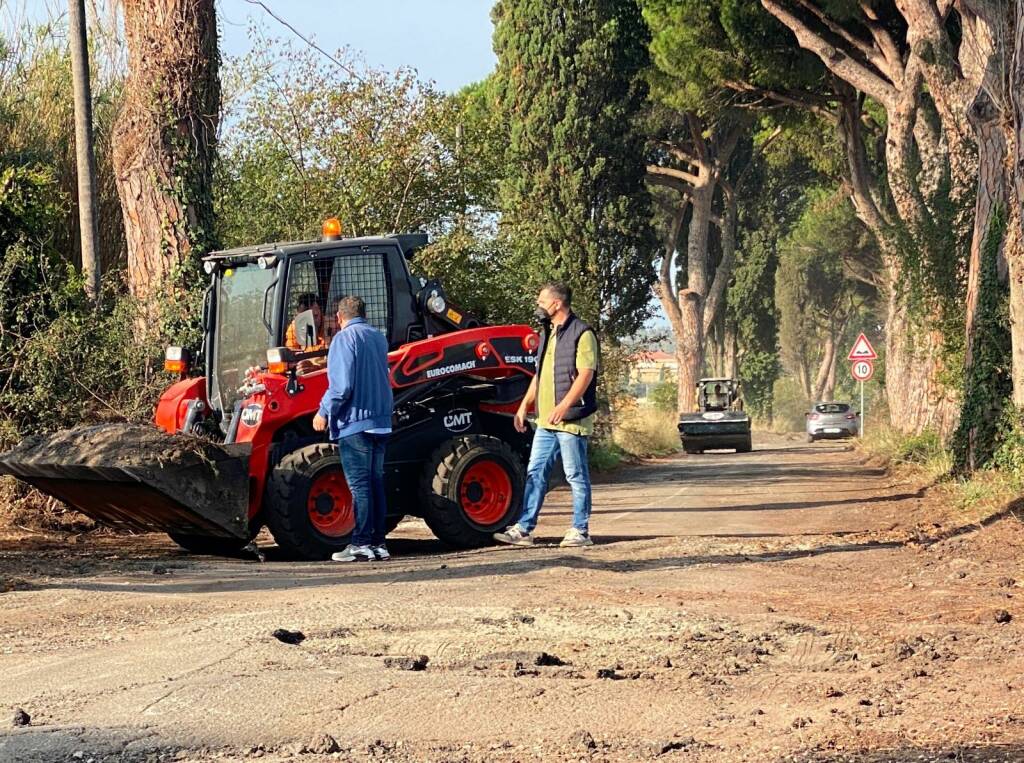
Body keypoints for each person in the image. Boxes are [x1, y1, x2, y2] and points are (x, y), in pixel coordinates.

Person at [493, 282, 599, 549]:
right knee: (535, 472)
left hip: (571, 420)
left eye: (542, 301)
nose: (538, 306)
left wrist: (565, 406)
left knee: (575, 475)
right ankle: (524, 529)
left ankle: (580, 530)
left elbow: (585, 375)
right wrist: (523, 405)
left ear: (557, 303)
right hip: (545, 422)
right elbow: (539, 375)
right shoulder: (547, 334)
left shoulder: (583, 333)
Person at [313, 296, 394, 562]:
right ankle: (378, 543)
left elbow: (342, 385)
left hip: (355, 423)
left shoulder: (343, 339)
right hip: (381, 422)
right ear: (364, 313)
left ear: (339, 317)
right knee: (375, 482)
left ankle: (360, 543)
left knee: (359, 486)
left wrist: (324, 410)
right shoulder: (378, 338)